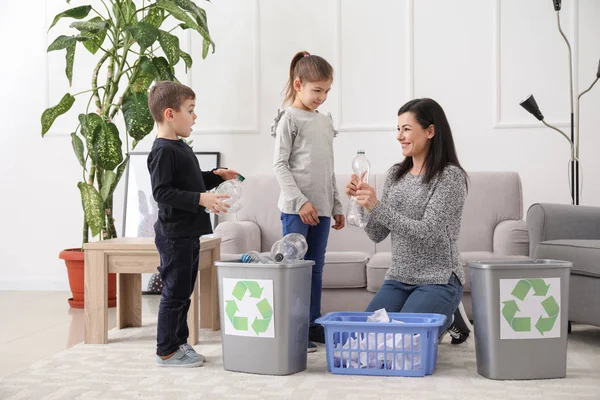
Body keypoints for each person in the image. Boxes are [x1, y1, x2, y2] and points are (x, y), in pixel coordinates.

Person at [346, 98, 472, 344]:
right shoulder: (396, 174)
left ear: (430, 131)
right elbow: (377, 234)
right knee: (366, 339)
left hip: (438, 278)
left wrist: (377, 206)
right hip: (399, 277)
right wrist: (362, 205)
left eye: (406, 129)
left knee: (401, 342)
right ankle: (447, 315)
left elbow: (428, 232)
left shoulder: (450, 177)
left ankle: (448, 318)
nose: (399, 136)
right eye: (398, 129)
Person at [147, 81, 239, 367]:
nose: (195, 116)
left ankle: (179, 343)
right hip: (174, 236)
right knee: (174, 293)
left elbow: (190, 181)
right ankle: (167, 350)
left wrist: (215, 176)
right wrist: (201, 199)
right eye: (191, 110)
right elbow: (162, 192)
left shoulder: (179, 147)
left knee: (184, 293)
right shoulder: (163, 151)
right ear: (170, 114)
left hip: (187, 234)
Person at [271, 51, 345, 352]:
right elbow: (280, 165)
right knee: (295, 267)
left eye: (327, 91)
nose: (323, 97)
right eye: (317, 90)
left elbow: (328, 169)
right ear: (298, 84)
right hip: (296, 210)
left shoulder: (325, 123)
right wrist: (301, 201)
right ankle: (293, 327)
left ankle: (311, 325)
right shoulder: (289, 118)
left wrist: (337, 205)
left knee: (315, 268)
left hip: (323, 210)